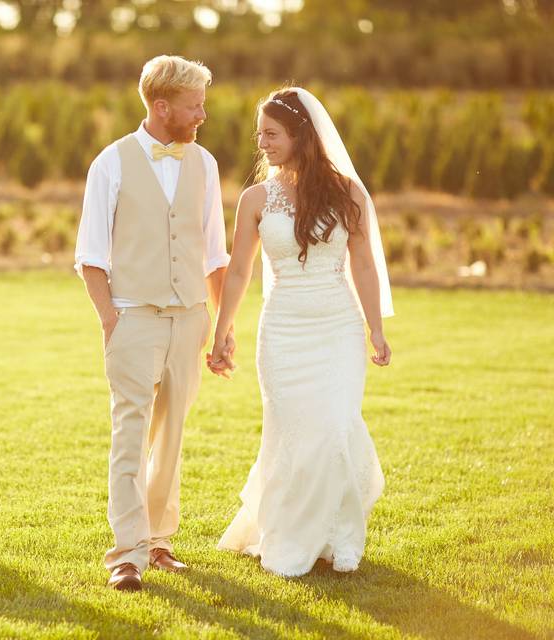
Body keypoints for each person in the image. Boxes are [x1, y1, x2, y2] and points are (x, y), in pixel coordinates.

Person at [208, 87, 394, 577]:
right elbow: (240, 271)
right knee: (291, 435)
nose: (261, 143)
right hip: (283, 332)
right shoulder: (254, 198)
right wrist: (222, 331)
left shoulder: (348, 193)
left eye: (271, 134)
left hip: (338, 329)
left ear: (301, 135)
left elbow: (365, 266)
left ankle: (339, 534)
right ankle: (290, 535)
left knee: (334, 428)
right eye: (259, 134)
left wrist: (376, 331)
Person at [74, 55, 229, 591]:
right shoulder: (111, 163)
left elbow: (214, 253)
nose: (203, 114)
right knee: (130, 435)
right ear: (162, 107)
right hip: (133, 318)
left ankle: (160, 542)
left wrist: (221, 324)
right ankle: (127, 554)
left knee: (173, 434)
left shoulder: (205, 164)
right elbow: (90, 255)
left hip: (190, 319)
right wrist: (110, 320)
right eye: (195, 105)